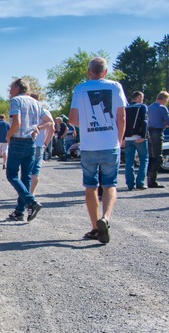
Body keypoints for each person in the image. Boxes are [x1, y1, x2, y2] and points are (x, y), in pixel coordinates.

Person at [69, 56, 127, 244]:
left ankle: (95, 227)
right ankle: (106, 218)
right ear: (106, 72)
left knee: (91, 186)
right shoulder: (115, 86)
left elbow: (72, 119)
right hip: (110, 143)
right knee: (110, 184)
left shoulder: (80, 89)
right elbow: (122, 116)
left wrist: (86, 125)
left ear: (89, 72)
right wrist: (119, 139)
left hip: (89, 145)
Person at [5, 77, 51, 222]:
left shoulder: (16, 101)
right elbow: (49, 121)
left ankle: (31, 201)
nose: (10, 91)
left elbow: (16, 122)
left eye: (11, 88)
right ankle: (20, 211)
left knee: (11, 174)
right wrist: (37, 128)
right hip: (31, 142)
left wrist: (9, 135)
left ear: (18, 88)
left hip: (18, 140)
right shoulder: (36, 103)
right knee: (26, 176)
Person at [123, 91, 149, 190]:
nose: (142, 100)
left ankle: (130, 184)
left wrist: (122, 138)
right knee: (144, 159)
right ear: (138, 97)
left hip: (127, 138)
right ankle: (140, 183)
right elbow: (145, 121)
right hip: (139, 137)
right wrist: (144, 136)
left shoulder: (125, 108)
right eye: (142, 98)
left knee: (129, 162)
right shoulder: (142, 107)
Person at [29, 93, 54, 195]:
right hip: (39, 144)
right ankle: (32, 193)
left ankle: (24, 192)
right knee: (35, 171)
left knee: (26, 169)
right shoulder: (45, 112)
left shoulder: (27, 111)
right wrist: (46, 143)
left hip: (27, 142)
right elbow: (52, 130)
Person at [146, 91, 169, 188]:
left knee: (150, 157)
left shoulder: (149, 107)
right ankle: (153, 181)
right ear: (164, 99)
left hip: (148, 133)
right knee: (158, 157)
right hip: (157, 133)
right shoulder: (162, 108)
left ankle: (148, 179)